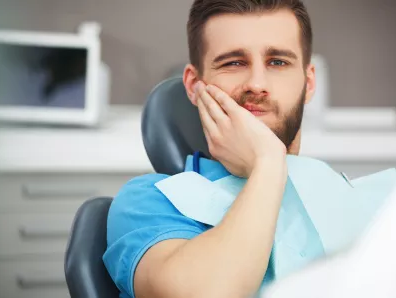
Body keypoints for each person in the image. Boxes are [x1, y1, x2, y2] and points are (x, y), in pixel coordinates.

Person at [103, 1, 317, 297]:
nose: (257, 84)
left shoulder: (338, 195)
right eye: (233, 63)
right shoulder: (148, 202)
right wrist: (268, 162)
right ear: (193, 85)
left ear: (308, 83)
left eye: (278, 62)